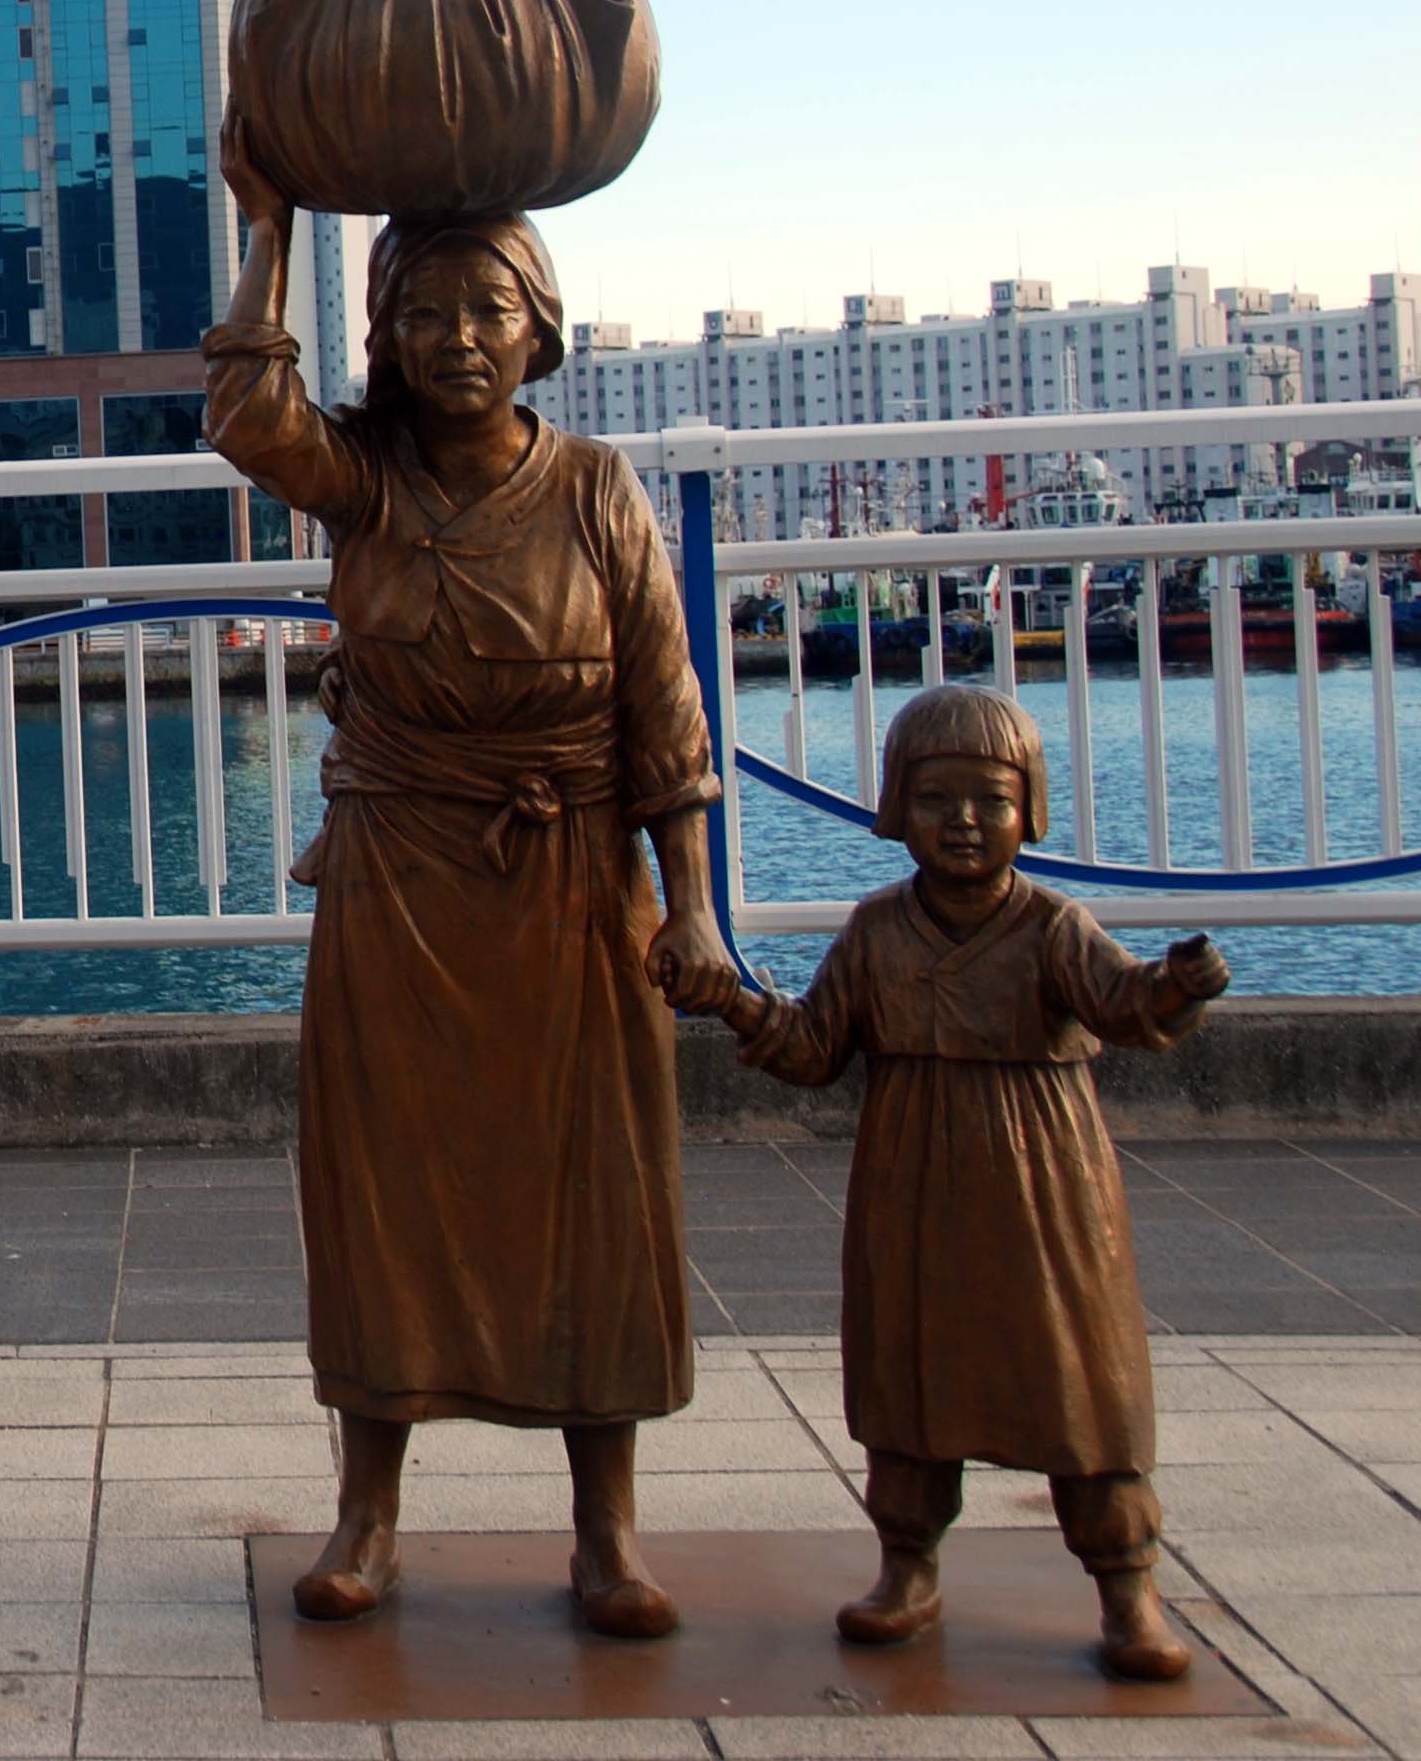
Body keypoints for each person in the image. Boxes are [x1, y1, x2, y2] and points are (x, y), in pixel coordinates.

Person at [205, 119, 742, 1638]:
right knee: (381, 1190)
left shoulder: (598, 489)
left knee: (596, 1194)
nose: (456, 339)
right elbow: (248, 416)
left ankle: (606, 1527)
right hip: (397, 878)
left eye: (488, 310)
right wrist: (269, 225)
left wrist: (692, 906)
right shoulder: (365, 478)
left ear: (539, 329)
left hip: (569, 884)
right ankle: (368, 1513)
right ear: (382, 335)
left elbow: (667, 716)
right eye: (423, 312)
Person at [713, 684, 1229, 1682]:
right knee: (907, 1372)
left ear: (1028, 808)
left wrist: (1174, 985)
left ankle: (1126, 1584)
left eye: (989, 800)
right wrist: (735, 1004)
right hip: (909, 1178)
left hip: (1044, 1183)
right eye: (934, 798)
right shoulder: (875, 931)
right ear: (895, 806)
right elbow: (814, 1047)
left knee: (1080, 1377)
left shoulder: (1053, 926)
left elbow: (1123, 1006)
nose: (961, 821)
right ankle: (907, 1564)